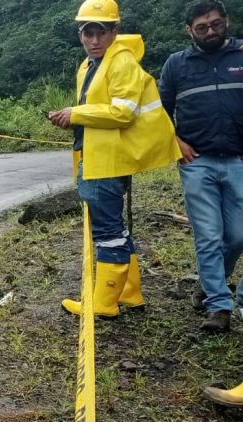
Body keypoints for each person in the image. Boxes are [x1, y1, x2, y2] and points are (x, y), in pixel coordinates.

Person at [50, 0, 182, 319]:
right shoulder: (90, 64)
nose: (94, 40)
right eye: (88, 33)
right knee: (114, 228)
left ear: (115, 31)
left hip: (107, 162)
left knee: (108, 232)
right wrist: (72, 118)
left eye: (102, 32)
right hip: (97, 156)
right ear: (80, 35)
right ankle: (129, 293)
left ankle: (105, 304)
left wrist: (75, 113)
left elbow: (123, 113)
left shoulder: (121, 61)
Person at [158, 0, 243, 333]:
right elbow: (160, 111)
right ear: (189, 30)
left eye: (216, 24)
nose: (211, 32)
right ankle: (219, 306)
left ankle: (210, 284)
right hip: (197, 162)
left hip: (238, 159)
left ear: (226, 21)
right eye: (202, 27)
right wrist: (175, 142)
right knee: (208, 235)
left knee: (237, 235)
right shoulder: (176, 64)